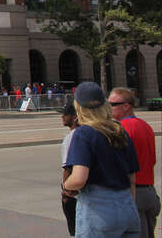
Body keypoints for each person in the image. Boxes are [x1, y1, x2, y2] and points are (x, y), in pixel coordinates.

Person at [63, 82, 140, 236]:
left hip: (99, 209)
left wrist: (66, 186)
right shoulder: (120, 131)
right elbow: (132, 178)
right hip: (127, 207)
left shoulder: (83, 134)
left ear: (79, 107)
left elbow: (79, 178)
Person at [109, 87, 160, 237]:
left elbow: (118, 165)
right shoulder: (146, 126)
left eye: (113, 104)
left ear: (127, 106)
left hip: (133, 193)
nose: (109, 108)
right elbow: (152, 159)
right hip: (149, 192)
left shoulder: (121, 129)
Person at [58, 100, 78, 236]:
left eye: (65, 114)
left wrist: (66, 192)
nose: (62, 117)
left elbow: (68, 168)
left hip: (73, 193)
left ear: (75, 117)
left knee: (76, 230)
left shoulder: (71, 138)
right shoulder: (87, 133)